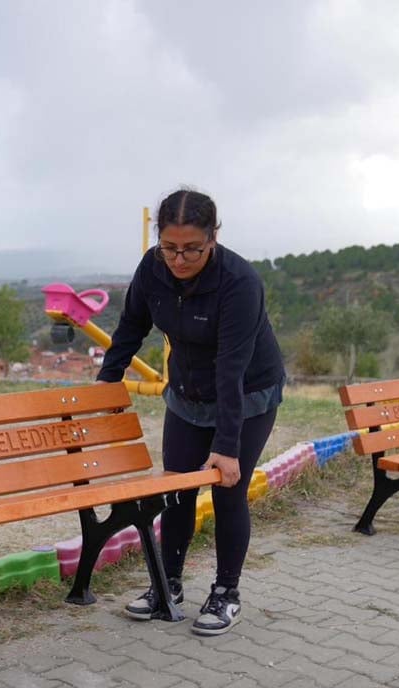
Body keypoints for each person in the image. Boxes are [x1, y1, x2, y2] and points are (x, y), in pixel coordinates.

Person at [96, 187, 285, 636]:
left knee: (227, 490)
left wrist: (226, 447)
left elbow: (232, 368)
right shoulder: (153, 267)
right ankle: (168, 585)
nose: (179, 260)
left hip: (246, 394)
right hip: (186, 392)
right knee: (177, 489)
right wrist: (107, 382)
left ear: (213, 238)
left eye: (192, 250)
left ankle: (226, 593)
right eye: (170, 248)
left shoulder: (239, 283)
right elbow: (131, 325)